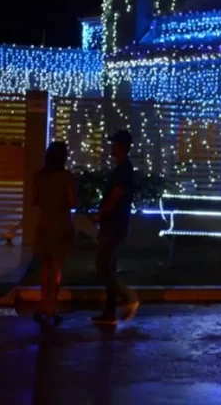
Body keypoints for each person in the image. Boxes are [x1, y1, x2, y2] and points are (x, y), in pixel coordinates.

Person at [91, 130, 139, 326]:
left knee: (102, 264)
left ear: (121, 147)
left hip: (115, 223)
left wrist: (101, 213)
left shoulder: (123, 169)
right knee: (109, 265)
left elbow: (116, 194)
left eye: (114, 144)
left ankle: (128, 297)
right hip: (114, 222)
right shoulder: (122, 168)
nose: (111, 148)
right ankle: (110, 312)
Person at [32, 141, 77, 326]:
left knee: (45, 267)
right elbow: (73, 202)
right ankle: (53, 308)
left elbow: (34, 201)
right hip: (61, 224)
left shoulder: (39, 177)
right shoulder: (67, 177)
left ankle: (45, 306)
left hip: (44, 224)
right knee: (57, 268)